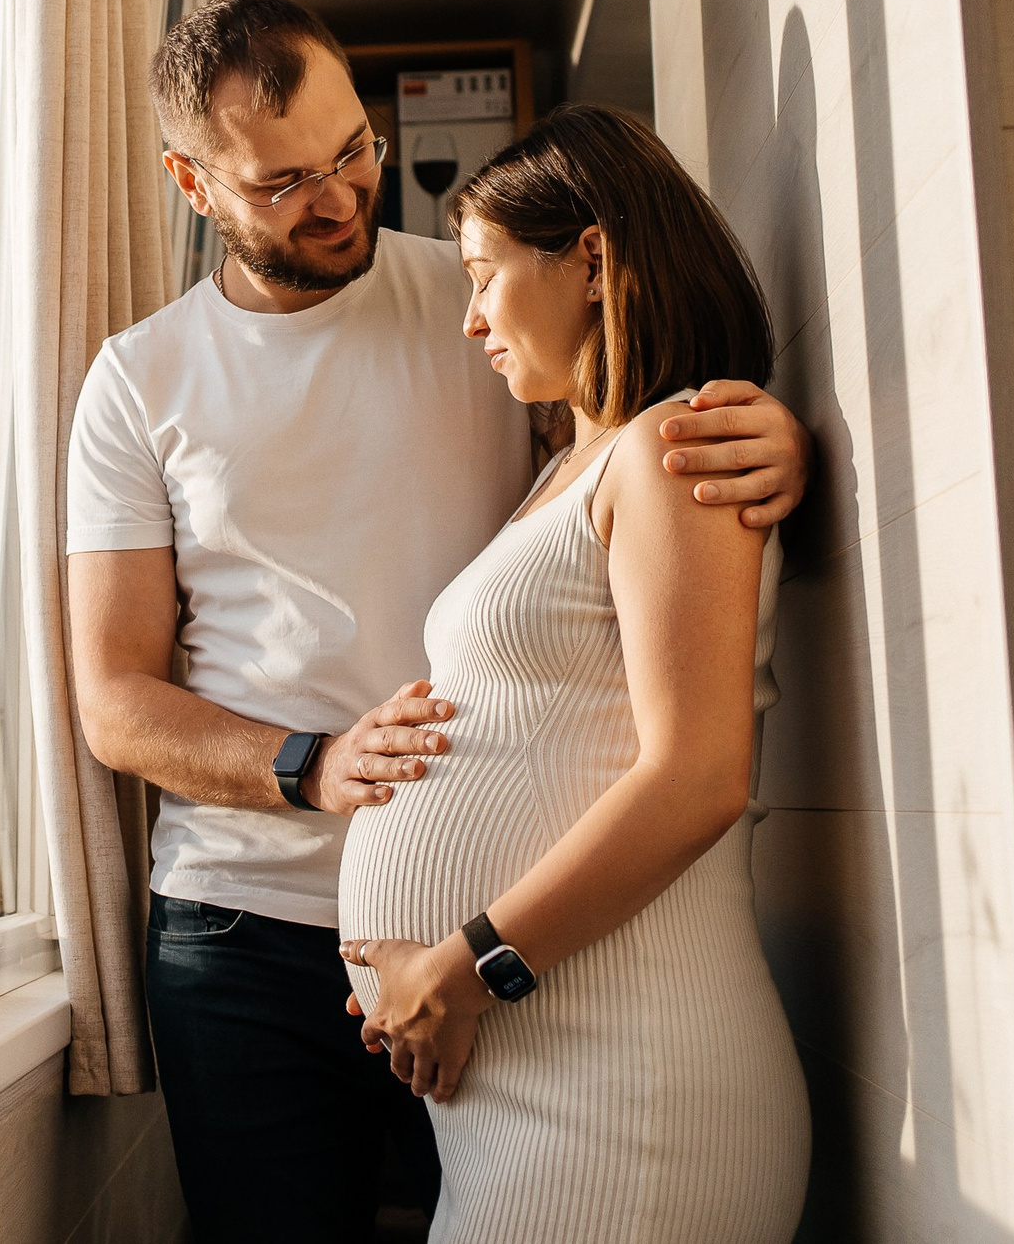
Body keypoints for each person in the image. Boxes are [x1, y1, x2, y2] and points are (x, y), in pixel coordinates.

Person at [64, 0, 811, 1242]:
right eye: (286, 180)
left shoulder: (480, 306)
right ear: (193, 185)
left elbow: (622, 464)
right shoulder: (137, 381)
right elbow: (114, 701)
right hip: (241, 932)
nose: (342, 193)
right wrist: (314, 766)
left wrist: (763, 438)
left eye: (352, 149)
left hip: (504, 940)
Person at [335, 105, 809, 1242]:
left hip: (623, 1087)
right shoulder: (580, 465)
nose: (471, 321)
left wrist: (463, 966)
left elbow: (698, 775)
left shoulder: (670, 444)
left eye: (485, 275)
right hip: (543, 1085)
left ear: (590, 258)